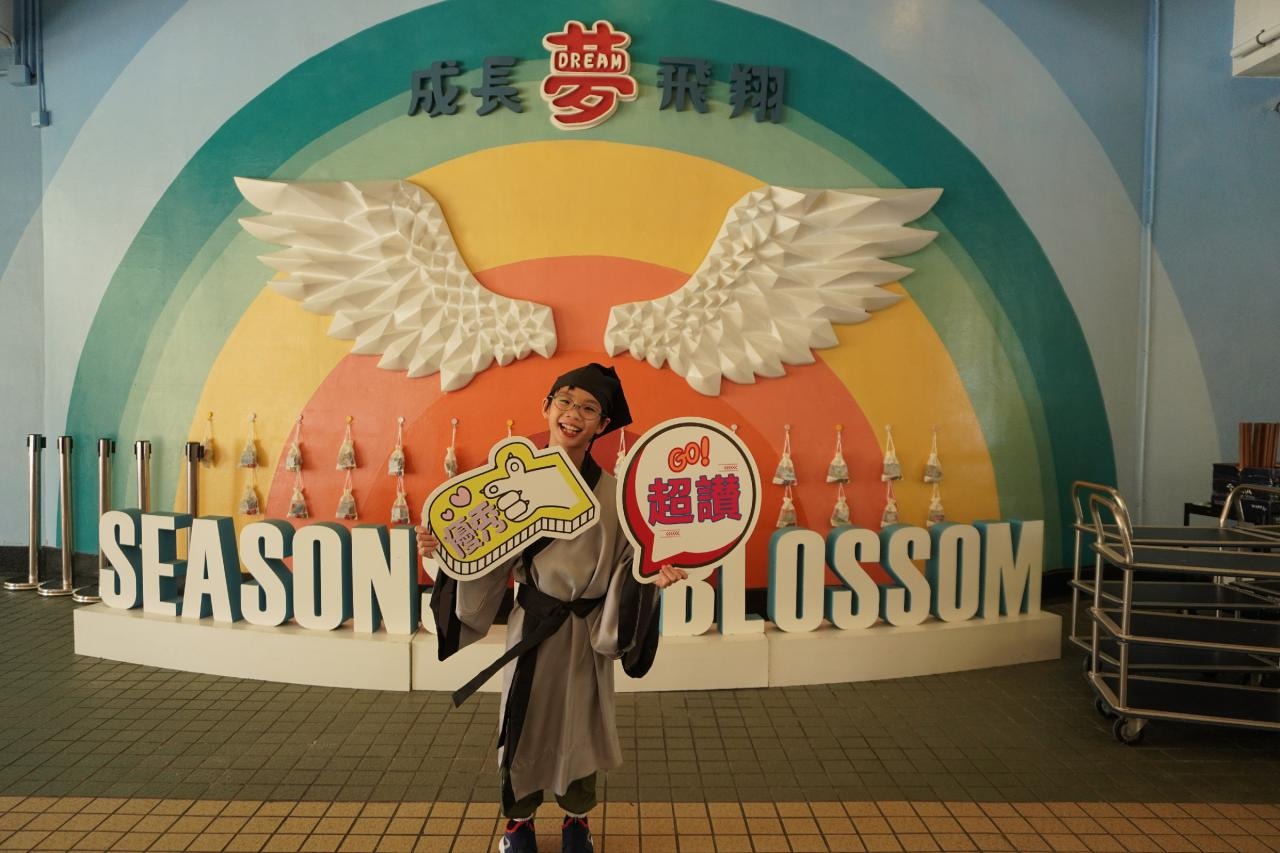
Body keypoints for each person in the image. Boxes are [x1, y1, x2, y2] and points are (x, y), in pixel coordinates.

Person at [416, 363, 686, 853]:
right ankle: (518, 824)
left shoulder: (618, 496)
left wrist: (652, 575)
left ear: (603, 424)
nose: (574, 414)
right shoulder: (510, 483)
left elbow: (630, 565)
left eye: (589, 408)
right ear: (546, 407)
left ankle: (576, 821)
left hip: (587, 631)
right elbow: (483, 555)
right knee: (523, 724)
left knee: (581, 726)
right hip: (532, 630)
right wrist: (447, 548)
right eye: (565, 401)